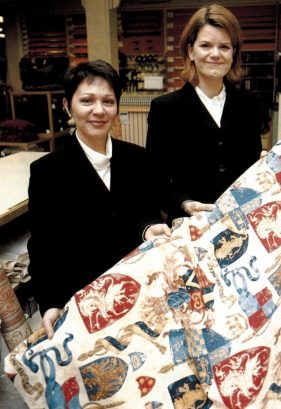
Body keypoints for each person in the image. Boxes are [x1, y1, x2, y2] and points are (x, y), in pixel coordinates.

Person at [27, 60, 170, 338]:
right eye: (87, 101)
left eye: (108, 101)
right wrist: (51, 302)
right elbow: (44, 245)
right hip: (81, 302)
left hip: (136, 293)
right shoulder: (47, 171)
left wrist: (148, 228)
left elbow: (146, 214)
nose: (99, 110)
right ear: (68, 106)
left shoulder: (138, 160)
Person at [146, 3, 263, 224]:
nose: (215, 54)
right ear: (191, 51)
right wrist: (184, 203)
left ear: (233, 53)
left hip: (241, 223)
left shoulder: (249, 105)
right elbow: (156, 178)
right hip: (189, 226)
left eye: (224, 47)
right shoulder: (165, 109)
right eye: (206, 45)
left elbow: (251, 168)